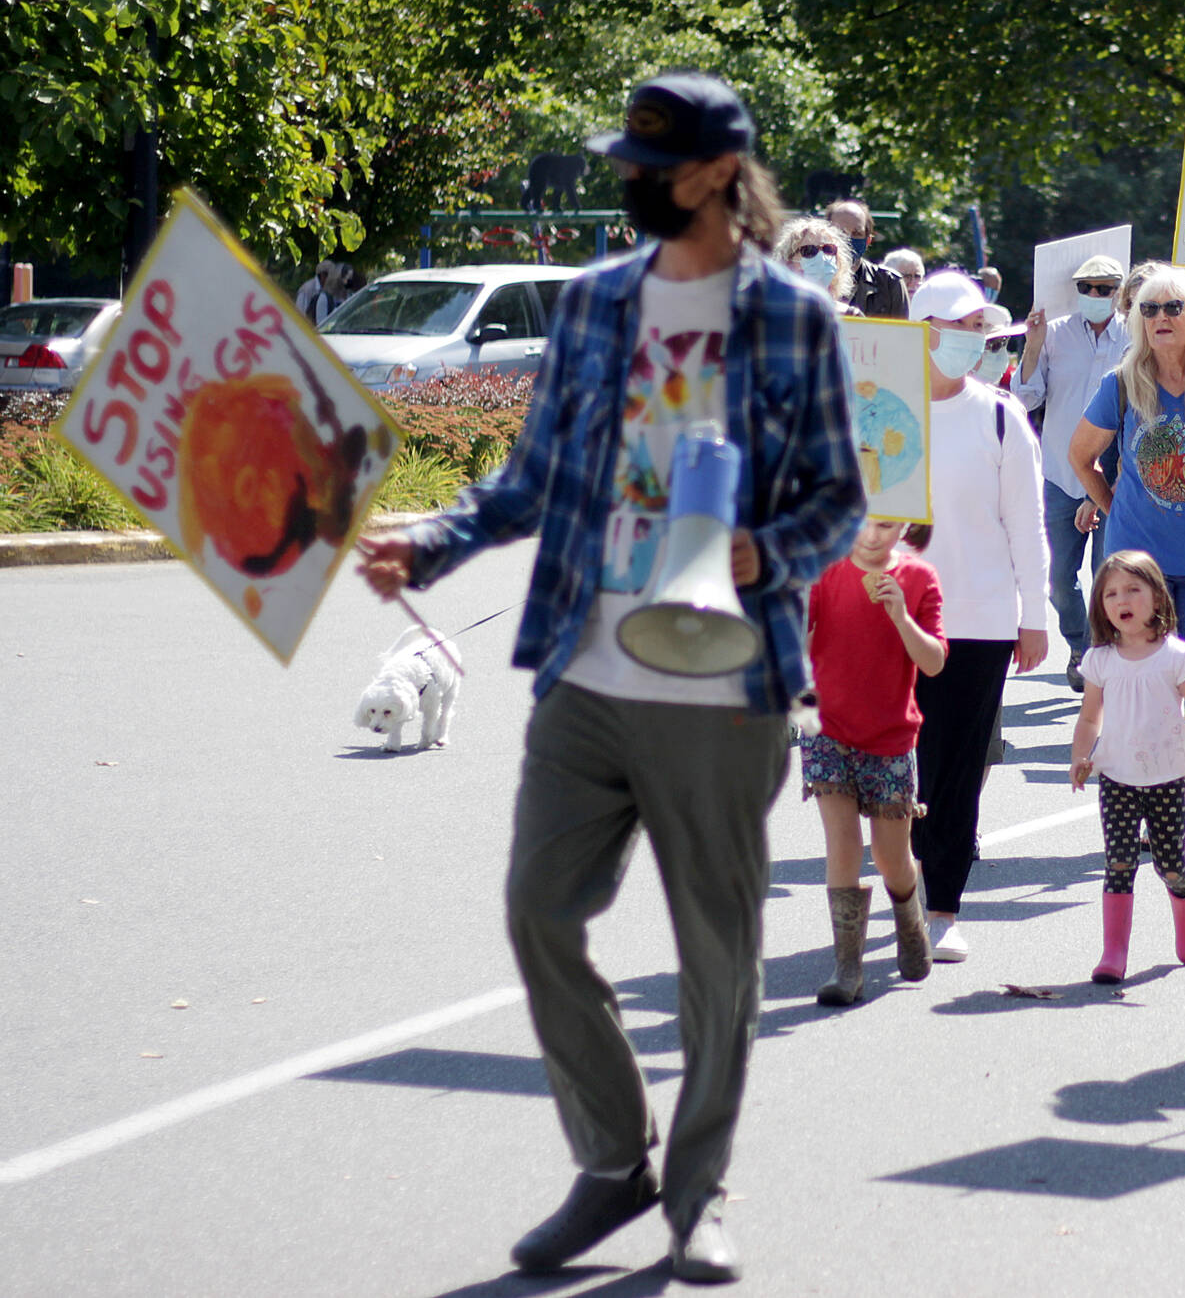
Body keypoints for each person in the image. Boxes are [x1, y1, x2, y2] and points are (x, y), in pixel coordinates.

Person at [356, 73, 864, 1285]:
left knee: (716, 956)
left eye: (646, 166)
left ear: (709, 176)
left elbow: (841, 498)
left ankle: (696, 1198)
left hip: (727, 683)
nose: (625, 184)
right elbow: (528, 478)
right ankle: (610, 1165)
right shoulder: (591, 307)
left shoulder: (795, 320)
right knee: (540, 911)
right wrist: (429, 542)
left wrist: (766, 551)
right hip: (586, 669)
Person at [906, 269, 1050, 962]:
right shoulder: (879, 412)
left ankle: (943, 907)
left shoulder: (1001, 415)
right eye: (959, 327)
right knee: (905, 766)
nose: (973, 339)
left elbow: (1027, 525)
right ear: (922, 331)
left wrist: (1036, 615)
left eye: (977, 328)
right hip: (894, 621)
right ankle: (910, 882)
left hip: (981, 622)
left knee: (959, 766)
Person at [1069, 264, 1185, 714]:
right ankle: (1145, 782)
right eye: (1149, 308)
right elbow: (1080, 457)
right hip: (1137, 564)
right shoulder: (1121, 383)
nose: (1161, 316)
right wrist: (1113, 508)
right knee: (1140, 689)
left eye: (1173, 307)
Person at [803, 518, 946, 1005]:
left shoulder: (919, 578)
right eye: (862, 521)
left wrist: (901, 617)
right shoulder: (824, 572)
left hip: (890, 737)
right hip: (827, 732)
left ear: (904, 523)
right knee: (842, 845)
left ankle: (910, 917)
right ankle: (848, 968)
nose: (871, 534)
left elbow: (933, 661)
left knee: (890, 857)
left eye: (886, 525)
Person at [1069, 550, 1185, 983]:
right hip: (1117, 777)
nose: (1123, 599)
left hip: (1167, 778)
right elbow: (1089, 718)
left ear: (1157, 598)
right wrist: (1080, 757)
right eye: (1112, 593)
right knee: (1118, 863)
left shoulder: (1176, 656)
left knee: (1170, 864)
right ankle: (1113, 953)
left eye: (1134, 590)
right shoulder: (1100, 660)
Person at [1018, 252, 1130, 692]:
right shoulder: (1055, 334)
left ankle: (1101, 655)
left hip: (1113, 476)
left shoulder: (1134, 338)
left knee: (1109, 572)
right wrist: (1031, 343)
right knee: (1059, 578)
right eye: (1088, 288)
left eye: (1106, 289)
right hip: (1060, 476)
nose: (1096, 296)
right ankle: (1080, 644)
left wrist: (1101, 484)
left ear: (1119, 293)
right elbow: (1026, 399)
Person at [825, 199, 908, 318]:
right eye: (840, 232)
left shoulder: (889, 283)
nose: (847, 239)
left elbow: (902, 333)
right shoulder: (810, 278)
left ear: (868, 240)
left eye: (857, 233)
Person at [772, 216, 857, 314]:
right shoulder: (773, 313)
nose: (821, 256)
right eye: (809, 250)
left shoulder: (851, 315)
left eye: (828, 249)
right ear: (788, 263)